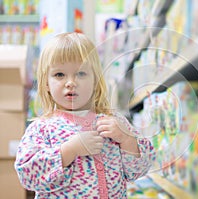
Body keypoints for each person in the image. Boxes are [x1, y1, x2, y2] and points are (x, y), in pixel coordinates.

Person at [14, 32, 155, 198]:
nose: (71, 82)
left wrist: (126, 139)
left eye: (81, 73)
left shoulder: (114, 122)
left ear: (95, 80)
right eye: (59, 75)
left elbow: (140, 169)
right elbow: (27, 175)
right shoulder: (41, 129)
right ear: (46, 83)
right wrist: (68, 150)